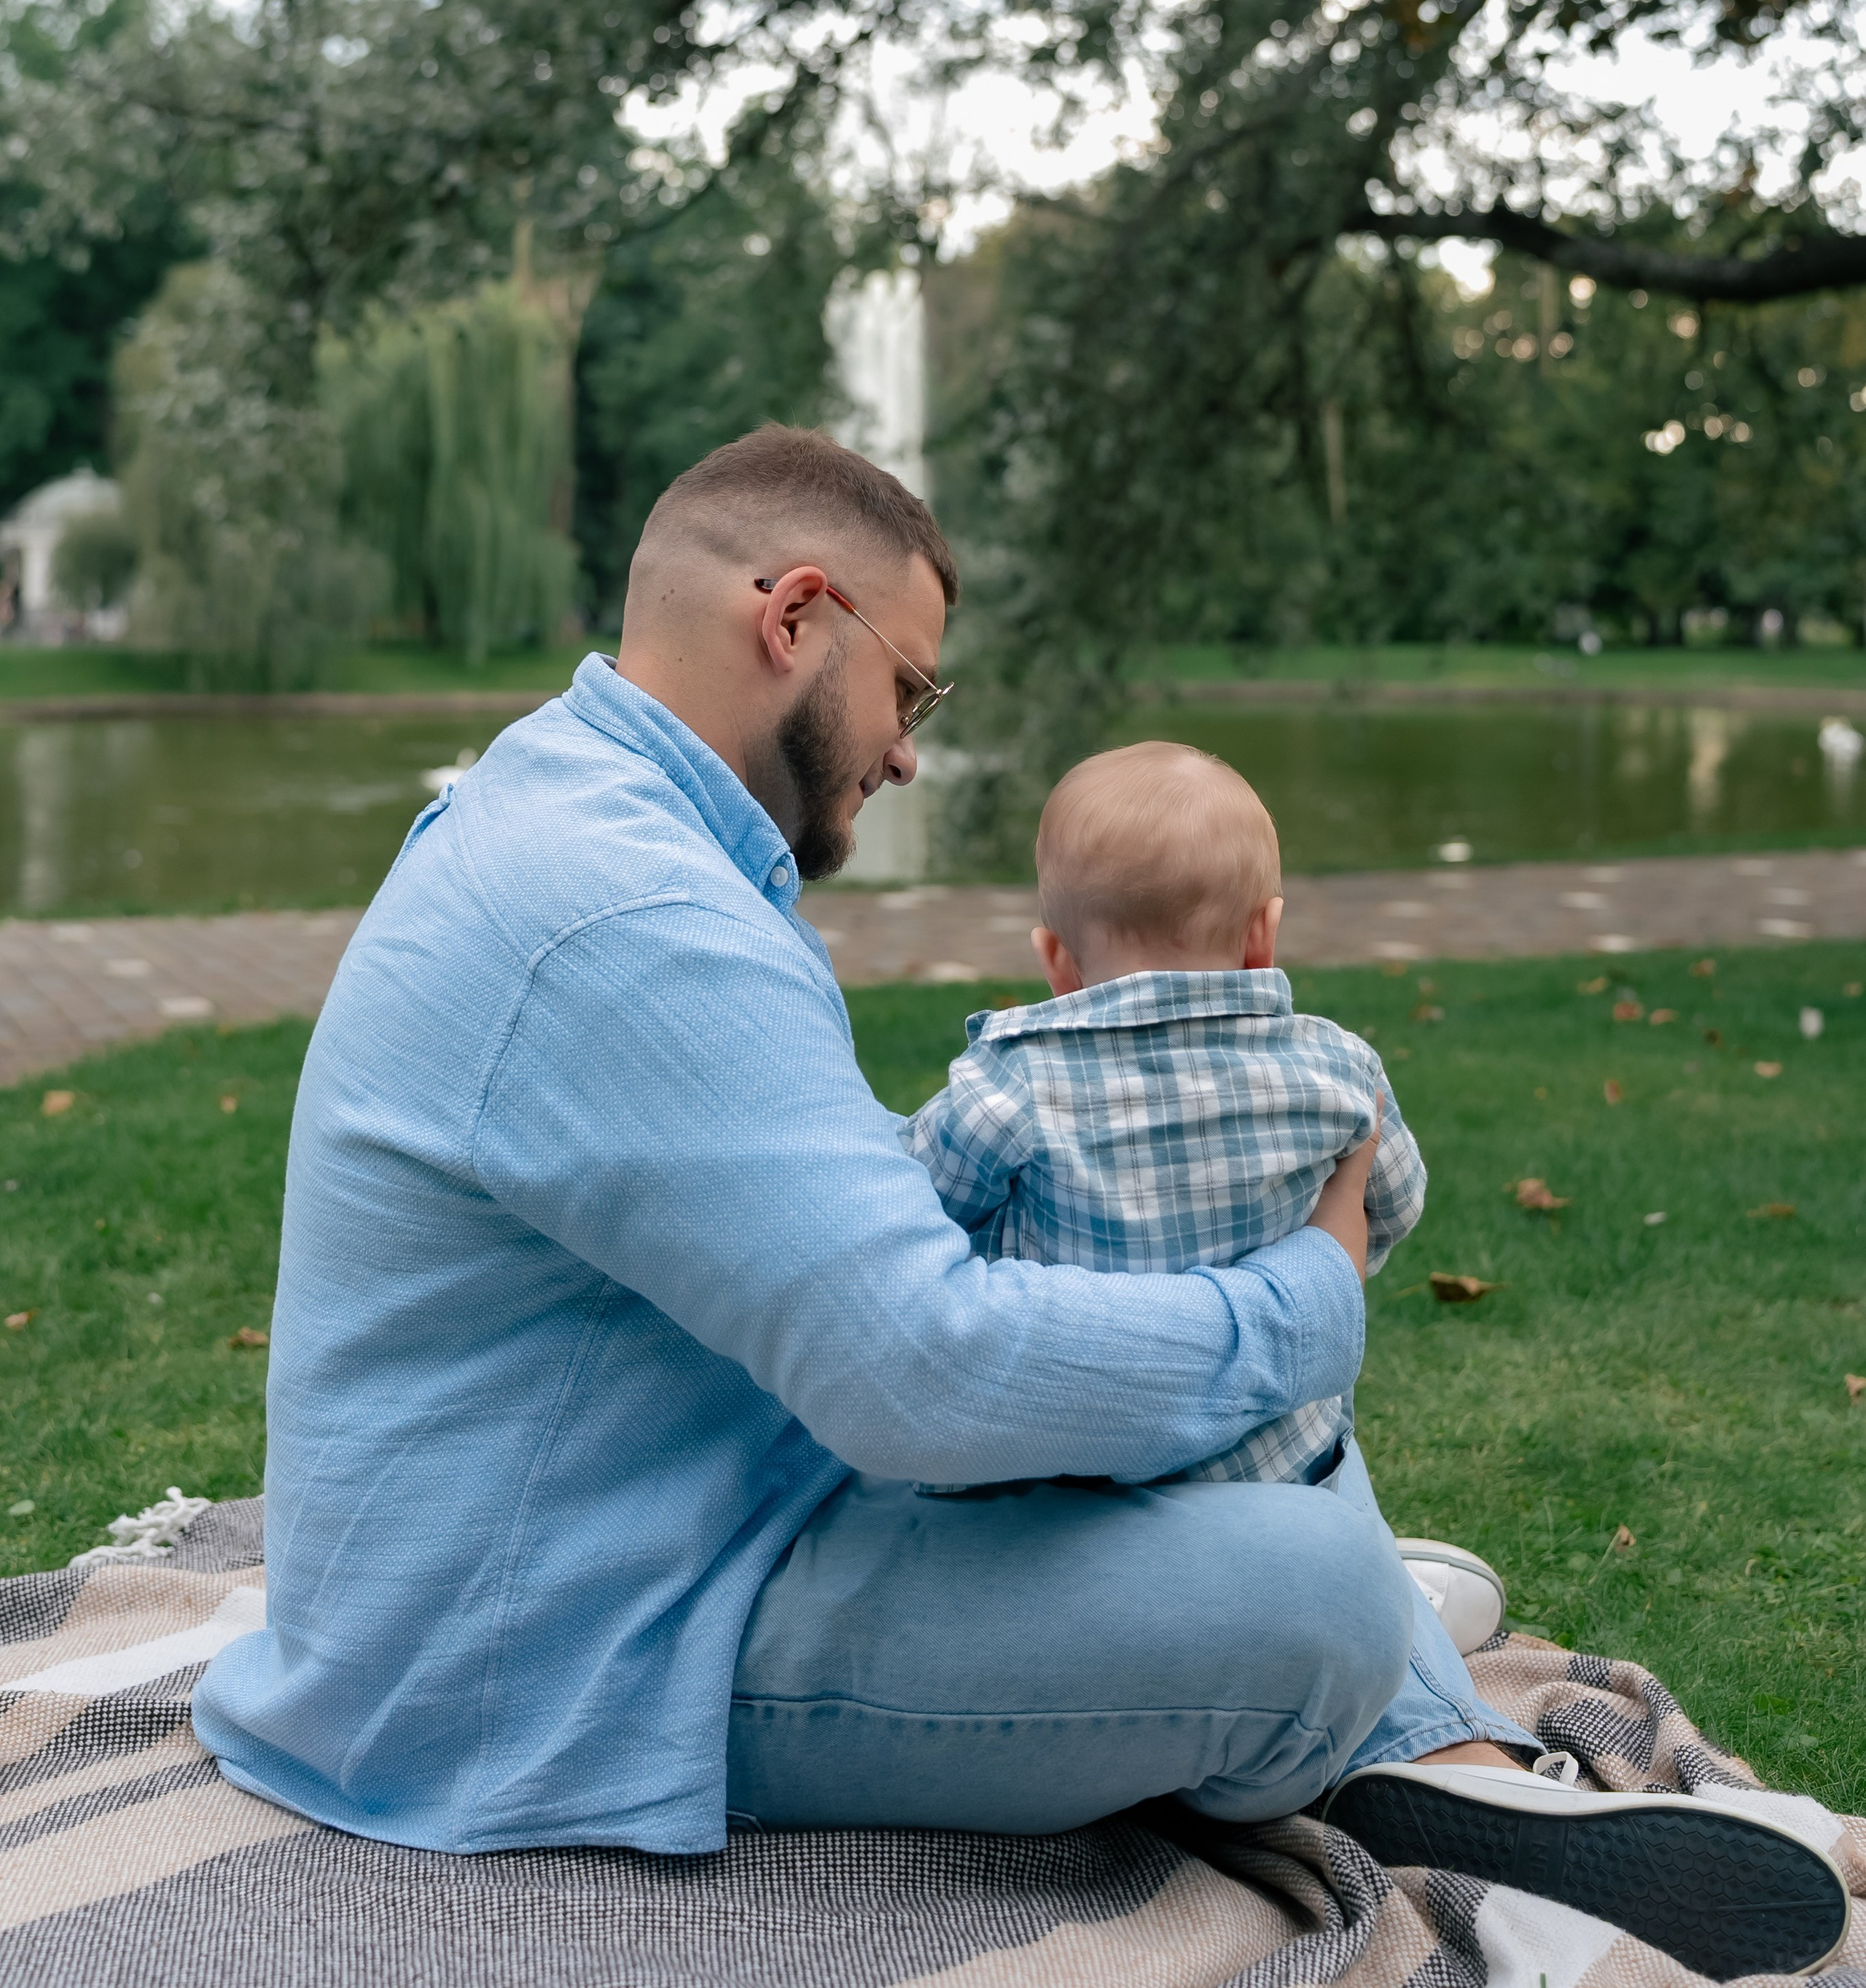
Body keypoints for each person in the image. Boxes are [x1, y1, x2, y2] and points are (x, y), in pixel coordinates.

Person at [191, 427, 1847, 1977]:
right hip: (552, 1654)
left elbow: (831, 1254)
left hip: (645, 1521)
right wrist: (1306, 1291)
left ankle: (1400, 1720)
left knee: (1215, 1431)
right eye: (906, 683)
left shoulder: (577, 810)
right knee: (1302, 1578)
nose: (911, 743)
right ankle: (1404, 1723)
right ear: (792, 616)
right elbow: (934, 1377)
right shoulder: (621, 908)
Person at [903, 738, 1426, 1494]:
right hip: (1283, 1474)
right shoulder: (1338, 1069)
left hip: (1072, 1477)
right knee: (1336, 1479)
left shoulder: (1011, 1086)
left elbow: (912, 1211)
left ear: (1054, 960)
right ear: (1263, 935)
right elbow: (1397, 1205)